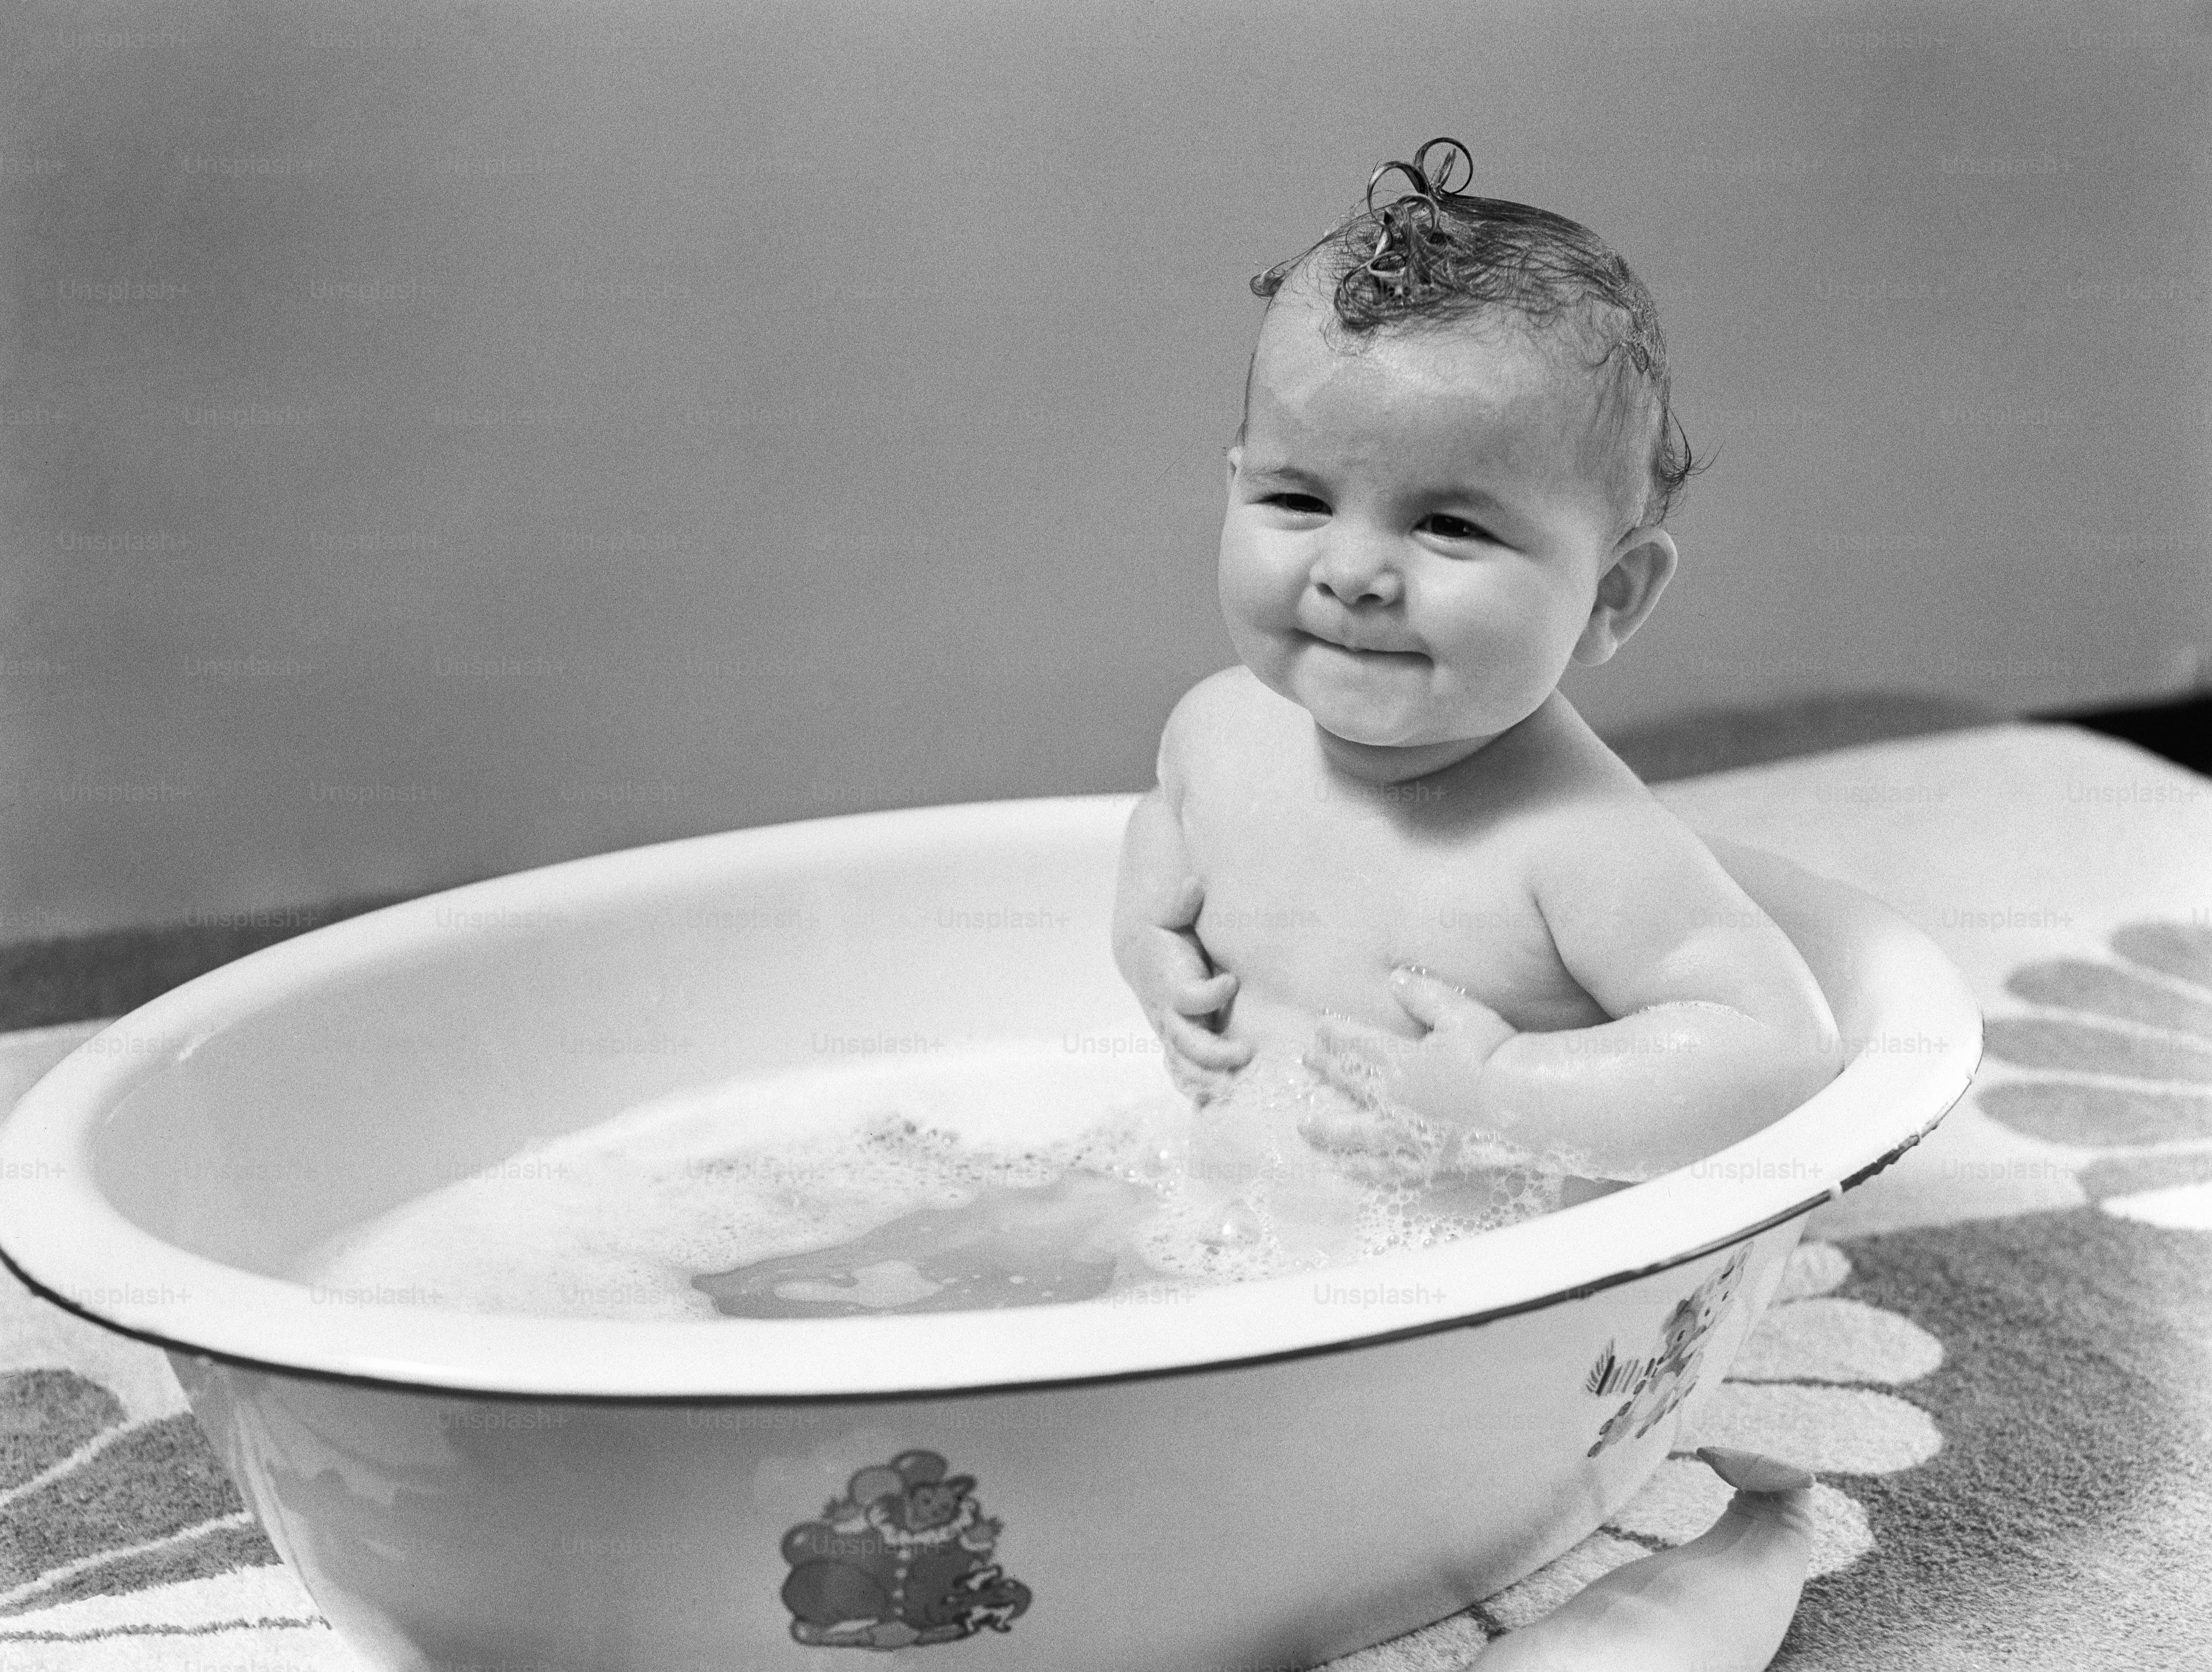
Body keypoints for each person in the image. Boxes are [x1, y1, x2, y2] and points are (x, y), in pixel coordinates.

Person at [1111, 141, 1837, 1669]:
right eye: (1302, 498)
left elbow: (1772, 1052)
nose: (1357, 572)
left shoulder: (1574, 843)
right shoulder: (1219, 729)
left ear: (1613, 595)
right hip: (1216, 1258)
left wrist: (1509, 1088)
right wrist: (1148, 939)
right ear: (1233, 490)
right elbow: (1162, 832)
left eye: (1450, 527)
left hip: (1463, 1340)